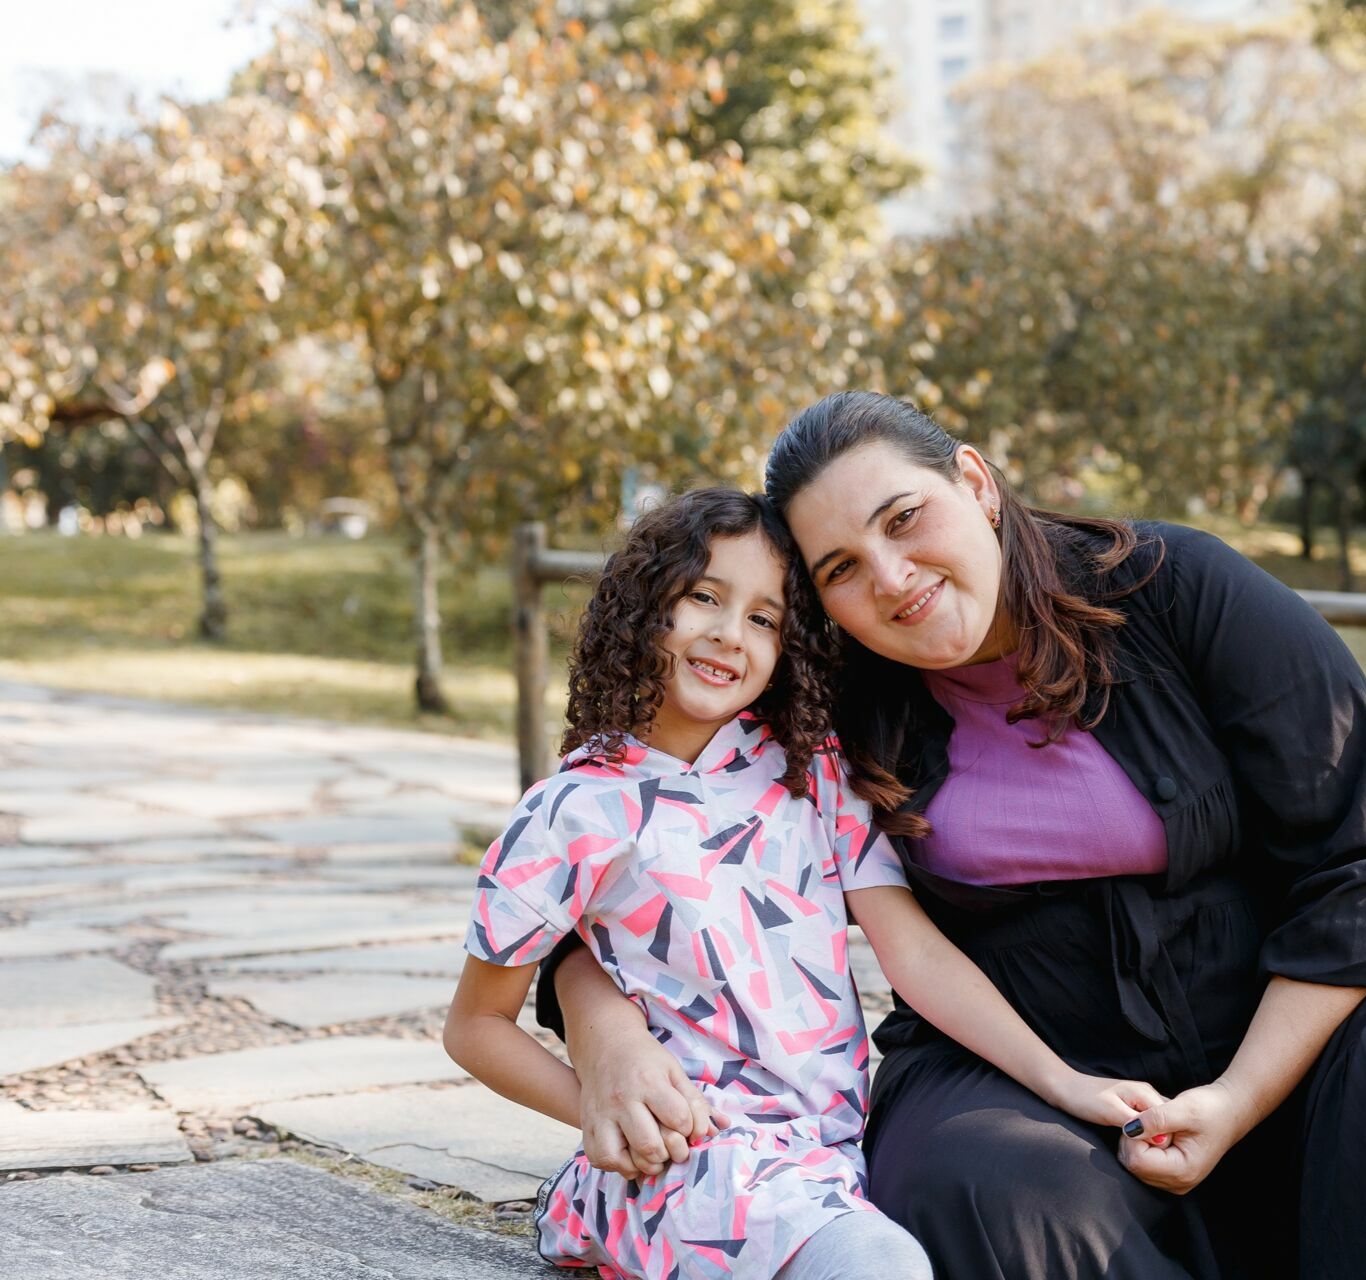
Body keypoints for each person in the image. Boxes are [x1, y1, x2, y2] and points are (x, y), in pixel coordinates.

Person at [541, 396, 1366, 1279]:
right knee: (975, 1185)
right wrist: (603, 1029)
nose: (893, 577)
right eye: (842, 569)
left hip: (1283, 1028)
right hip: (1020, 1054)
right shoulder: (835, 698)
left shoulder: (1181, 589)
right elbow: (628, 838)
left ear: (974, 480)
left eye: (903, 518)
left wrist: (1236, 1100)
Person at [443, 487, 1160, 1280]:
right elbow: (476, 1025)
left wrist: (1062, 1080)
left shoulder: (808, 770)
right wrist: (600, 1107)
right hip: (692, 1163)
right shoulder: (569, 812)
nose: (727, 633)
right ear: (642, 605)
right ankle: (593, 1203)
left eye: (763, 617)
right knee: (879, 1265)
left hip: (832, 1152)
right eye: (703, 597)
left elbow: (914, 955)